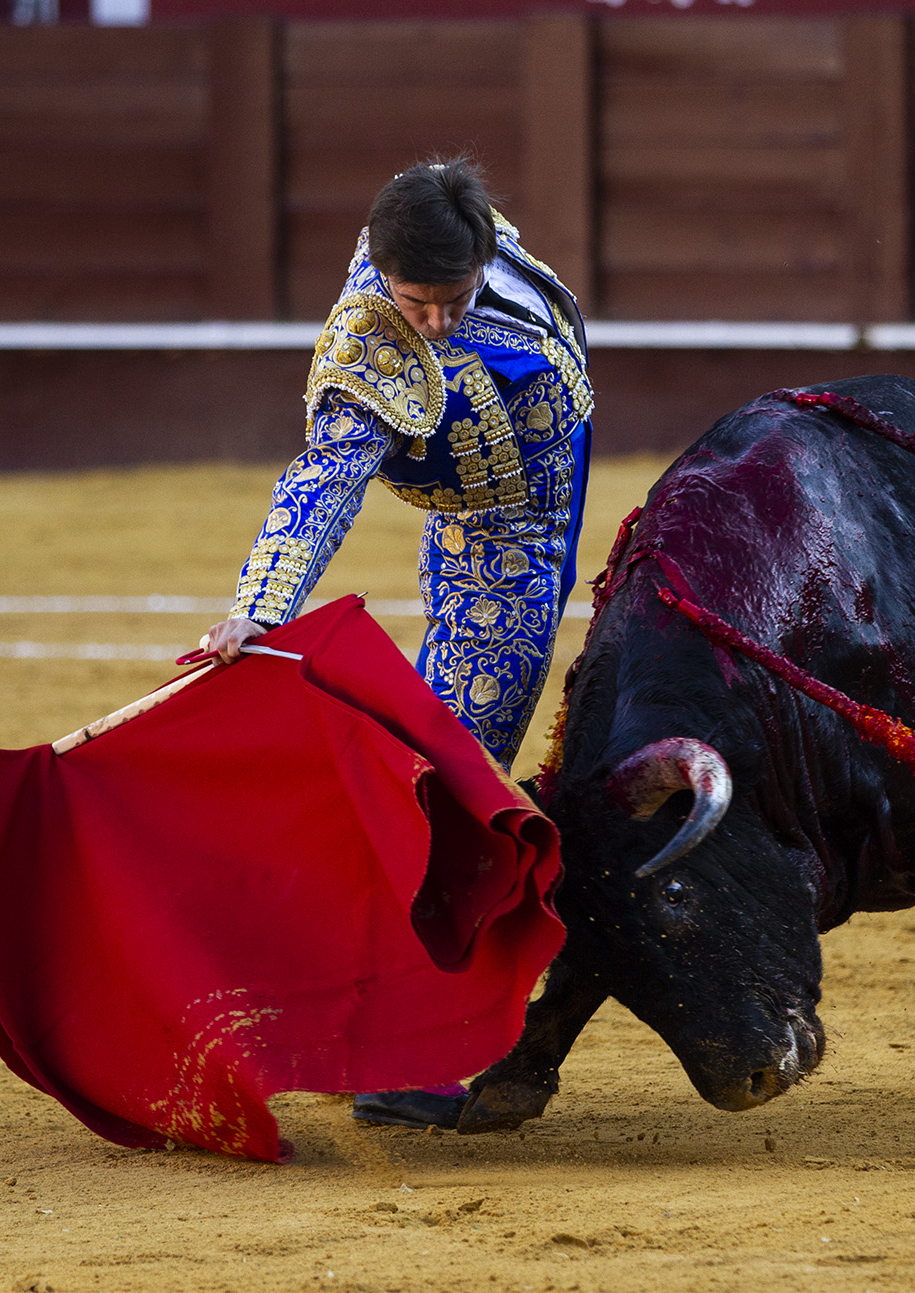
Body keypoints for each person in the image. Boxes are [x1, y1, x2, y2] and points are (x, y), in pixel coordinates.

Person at [201, 158, 593, 1128]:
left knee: (444, 775)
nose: (435, 321)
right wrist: (261, 602)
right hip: (491, 552)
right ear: (383, 277)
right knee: (448, 792)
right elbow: (322, 483)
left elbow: (442, 193)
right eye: (415, 301)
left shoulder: (455, 221)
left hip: (527, 523)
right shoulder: (372, 347)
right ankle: (390, 1047)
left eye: (451, 298)